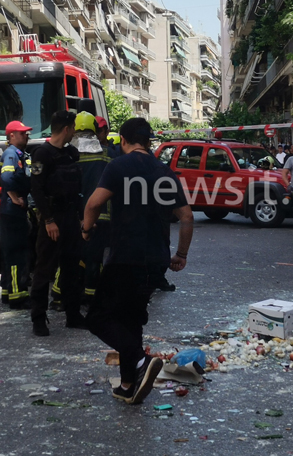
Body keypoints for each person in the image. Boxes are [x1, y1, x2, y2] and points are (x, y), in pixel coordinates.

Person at [82, 117, 194, 405]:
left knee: (97, 318)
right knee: (130, 320)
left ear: (123, 139)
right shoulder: (164, 172)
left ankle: (141, 361)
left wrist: (86, 228)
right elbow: (186, 216)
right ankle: (128, 385)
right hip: (155, 260)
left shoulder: (118, 166)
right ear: (148, 141)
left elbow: (94, 203)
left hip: (125, 258)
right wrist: (180, 254)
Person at [29, 110, 83, 337]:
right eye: (73, 129)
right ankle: (39, 320)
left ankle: (73, 315)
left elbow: (78, 188)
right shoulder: (42, 154)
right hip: (52, 218)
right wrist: (49, 220)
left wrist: (81, 218)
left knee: (72, 269)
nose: (74, 134)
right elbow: (36, 189)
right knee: (44, 270)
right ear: (66, 129)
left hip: (71, 217)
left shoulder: (71, 153)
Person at [73, 112, 110, 304]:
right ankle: (91, 295)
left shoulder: (69, 155)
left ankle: (60, 294)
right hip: (101, 214)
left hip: (76, 215)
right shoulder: (106, 155)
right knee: (94, 258)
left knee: (75, 256)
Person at [0, 121, 34, 308]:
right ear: (12, 135)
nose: (26, 136)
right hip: (12, 213)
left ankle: (7, 291)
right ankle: (17, 296)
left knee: (9, 254)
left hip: (10, 213)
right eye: (22, 133)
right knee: (16, 255)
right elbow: (6, 178)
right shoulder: (11, 154)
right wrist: (16, 197)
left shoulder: (19, 155)